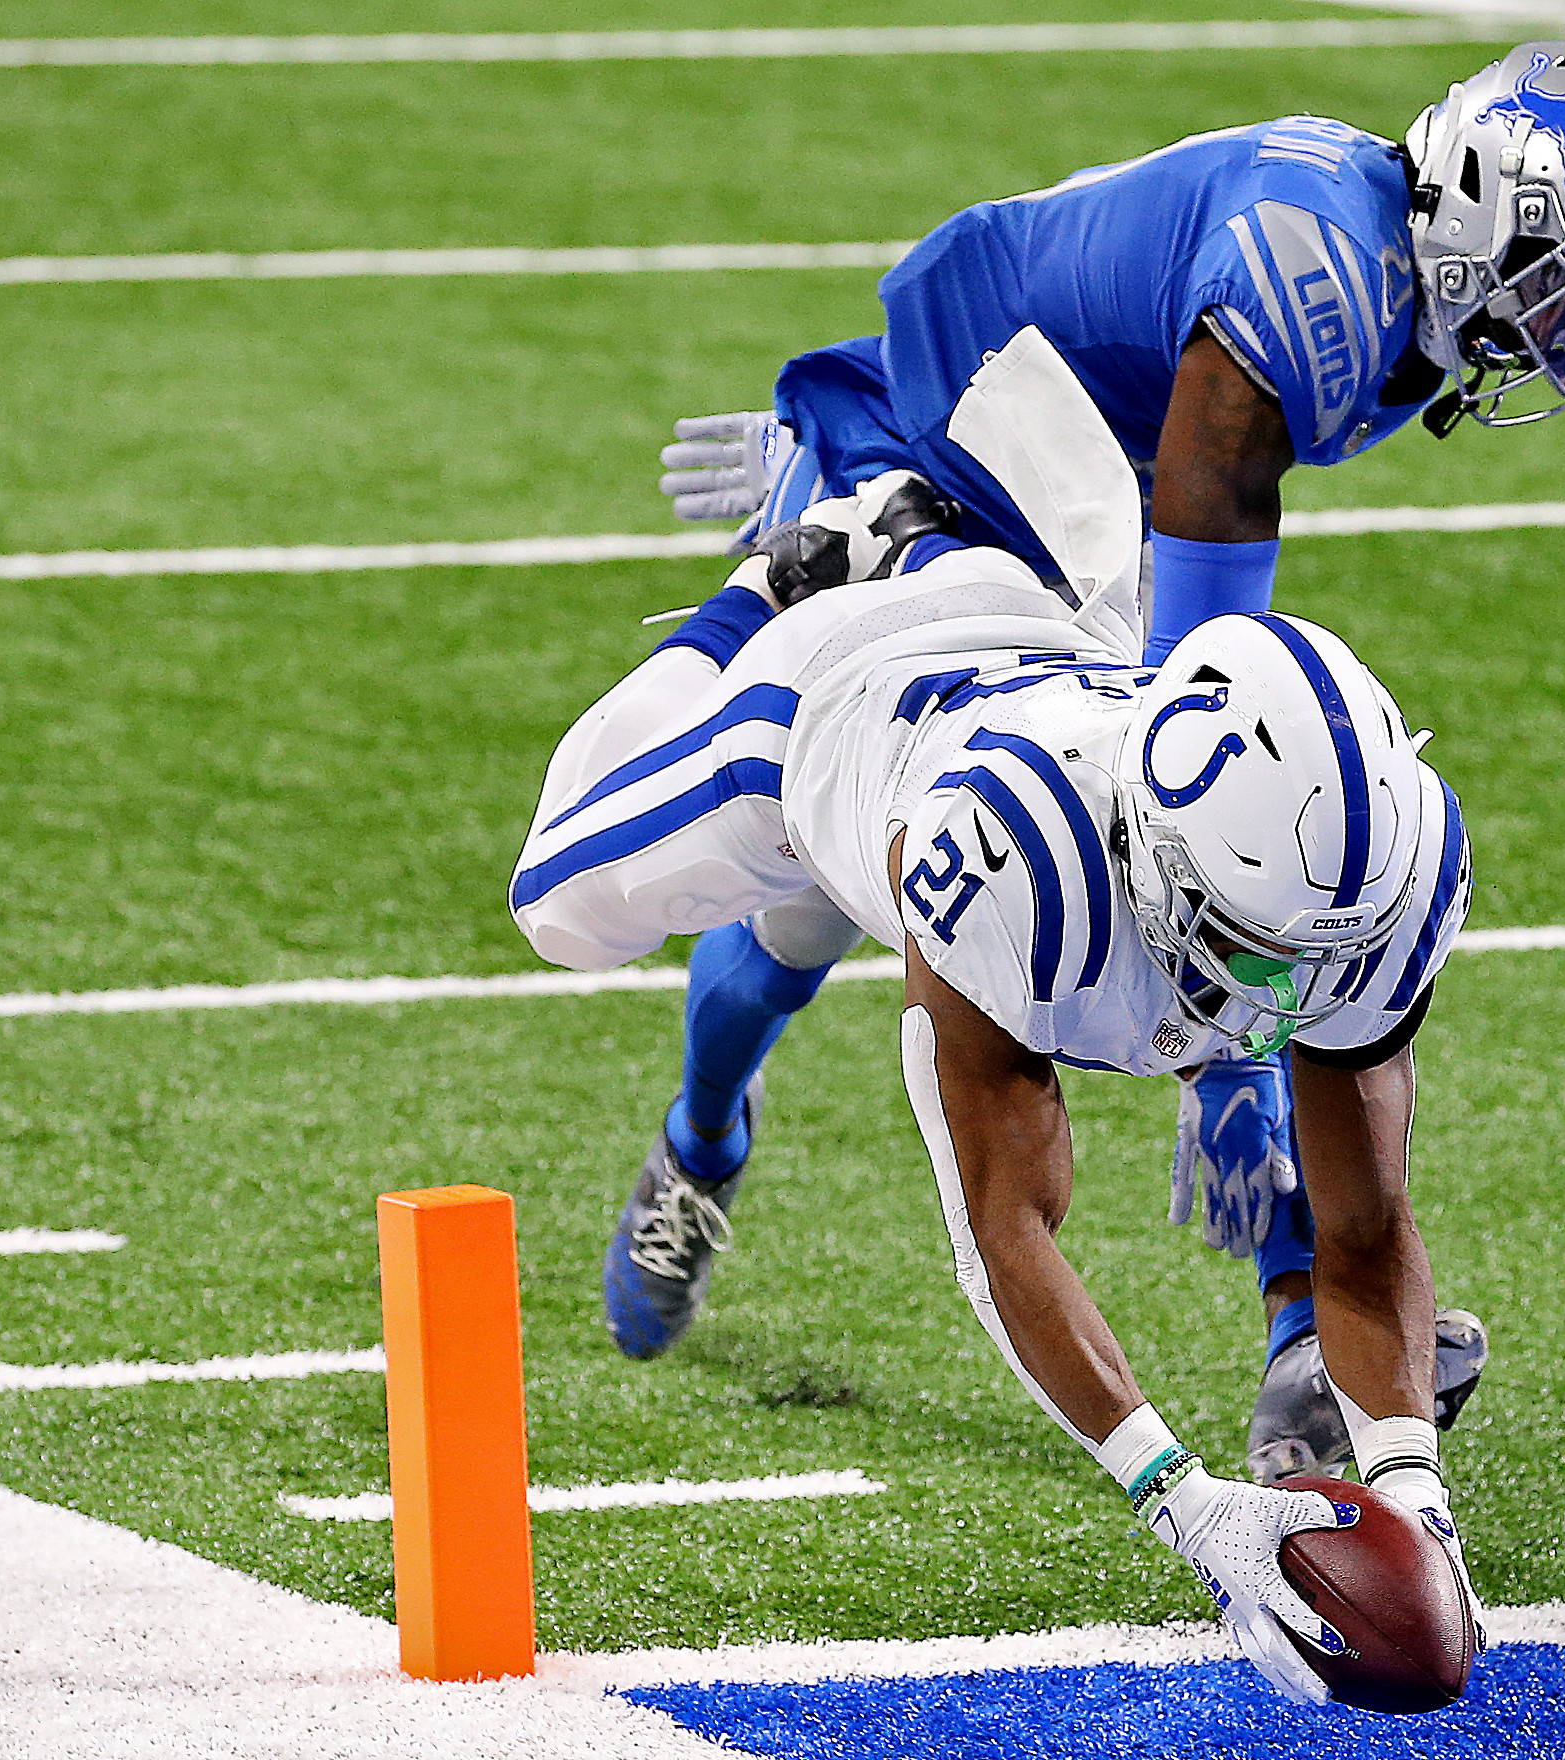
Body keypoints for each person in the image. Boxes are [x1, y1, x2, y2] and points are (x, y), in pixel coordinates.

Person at [623, 41, 1565, 1478]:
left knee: (1263, 904)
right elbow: (1171, 726)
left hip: (1060, 488)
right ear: (1473, 205)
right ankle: (703, 1141)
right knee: (829, 910)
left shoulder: (1372, 281)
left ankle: (1304, 1335)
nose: (1555, 343)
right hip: (960, 484)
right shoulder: (1309, 291)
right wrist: (1231, 1072)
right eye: (1556, 292)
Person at [511, 335, 1479, 1703]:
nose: (1280, 997)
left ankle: (908, 527)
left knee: (786, 947)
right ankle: (781, 567)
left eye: (1310, 954)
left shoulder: (1373, 876)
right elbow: (1003, 1227)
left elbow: (1368, 1228)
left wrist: (1413, 1496)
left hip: (1041, 628)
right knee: (564, 905)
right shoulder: (1007, 856)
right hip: (838, 718)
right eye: (1254, 948)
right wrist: (1185, 1504)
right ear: (1159, 856)